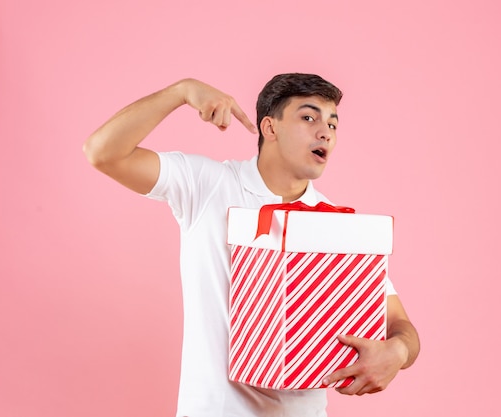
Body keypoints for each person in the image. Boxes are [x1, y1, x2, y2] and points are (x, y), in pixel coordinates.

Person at [83, 74, 420, 417]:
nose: (325, 132)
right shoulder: (207, 186)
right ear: (269, 128)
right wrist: (180, 92)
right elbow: (102, 153)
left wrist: (397, 353)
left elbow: (401, 326)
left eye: (333, 123)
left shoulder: (338, 225)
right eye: (309, 117)